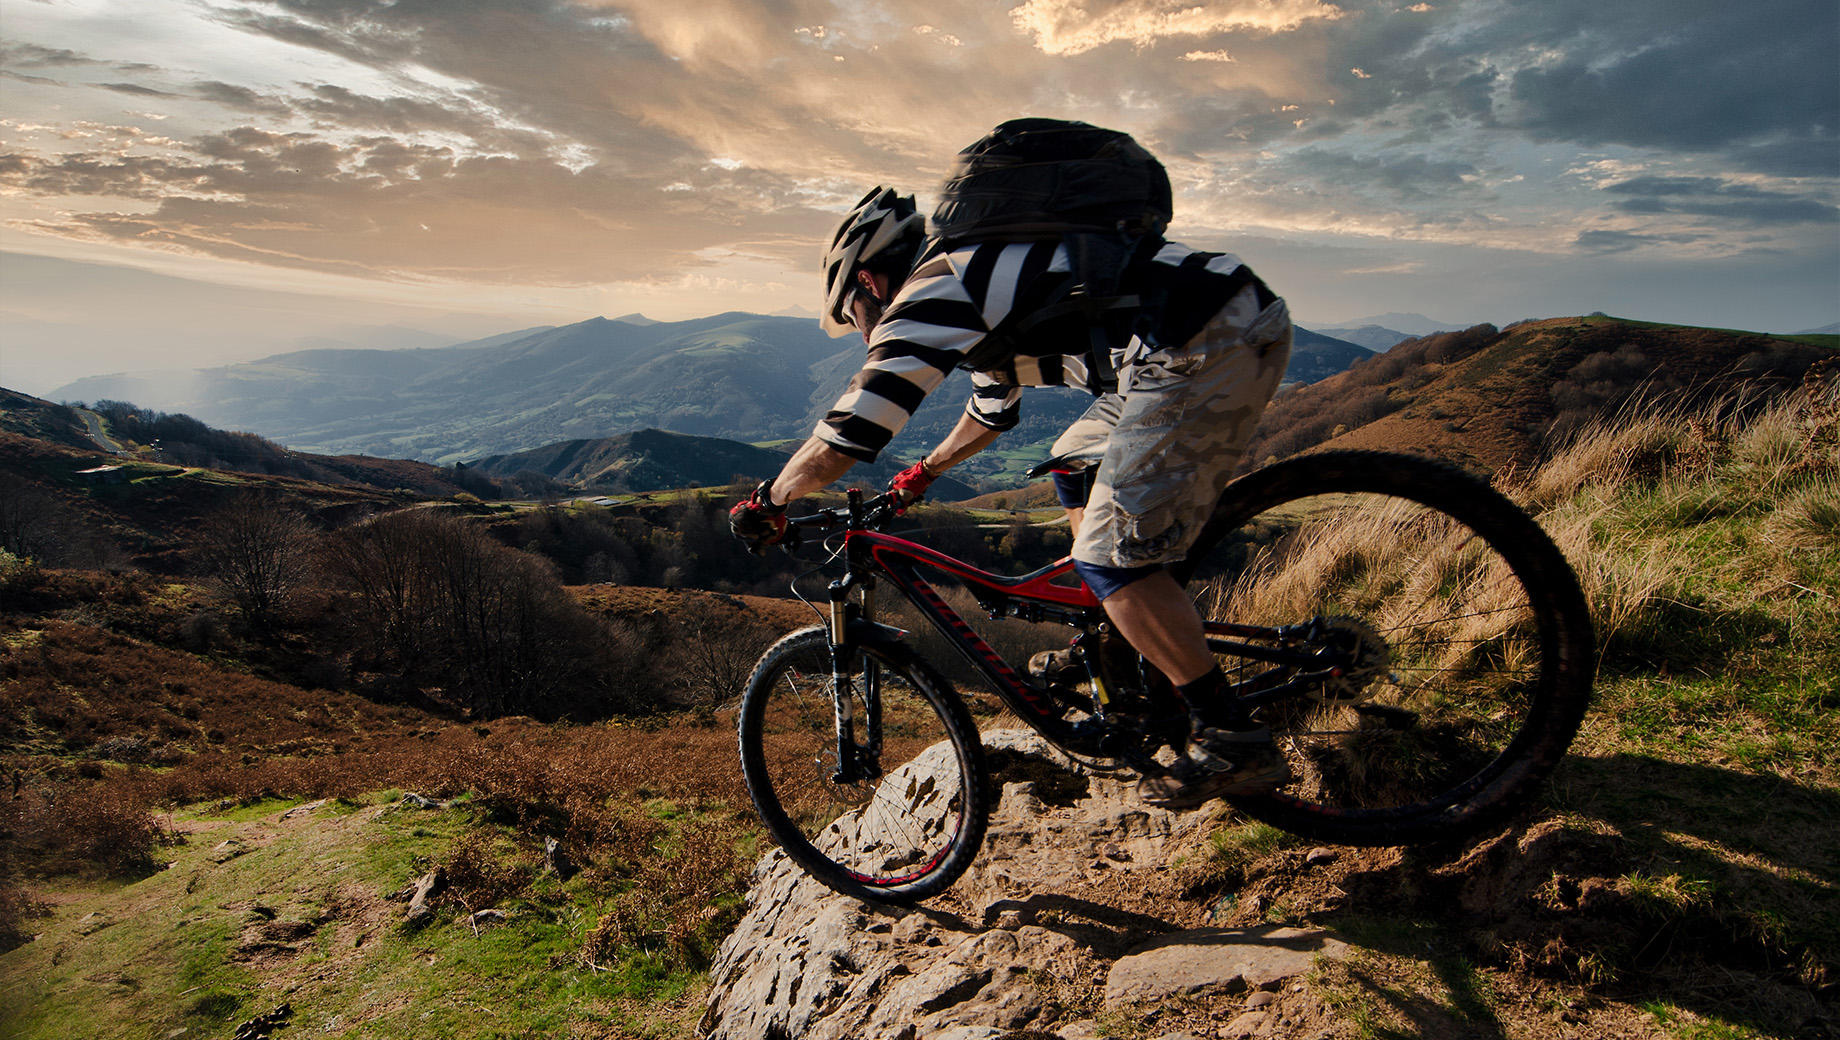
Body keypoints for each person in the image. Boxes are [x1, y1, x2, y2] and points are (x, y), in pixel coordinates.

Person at [729, 154, 1294, 809]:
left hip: (1203, 341)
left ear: (869, 277)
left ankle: (1232, 734)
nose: (860, 331)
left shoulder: (938, 286)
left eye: (853, 311)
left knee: (1110, 555)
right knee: (1071, 463)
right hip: (1191, 339)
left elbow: (849, 435)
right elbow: (992, 411)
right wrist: (922, 475)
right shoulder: (981, 284)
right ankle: (1118, 646)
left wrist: (767, 502)